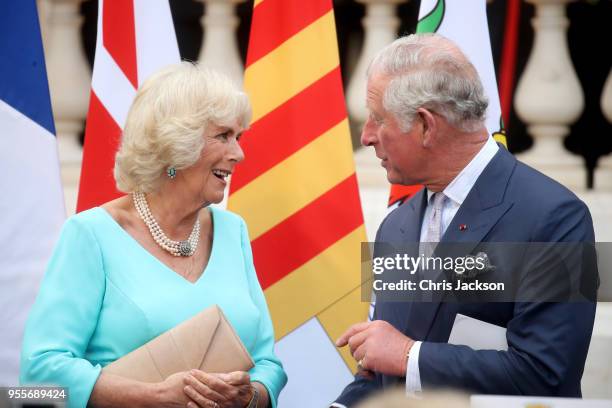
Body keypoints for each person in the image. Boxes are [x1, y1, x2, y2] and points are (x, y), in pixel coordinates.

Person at [332, 33, 597, 407]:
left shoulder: (556, 217)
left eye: (378, 119)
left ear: (426, 125)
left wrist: (411, 355)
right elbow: (381, 370)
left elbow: (549, 373)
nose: (367, 136)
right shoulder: (396, 224)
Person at [20, 62, 287, 408]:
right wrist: (154, 397)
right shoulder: (90, 235)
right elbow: (39, 375)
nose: (239, 153)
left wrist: (250, 396)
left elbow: (268, 364)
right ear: (176, 146)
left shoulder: (233, 231)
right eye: (223, 136)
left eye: (239, 137)